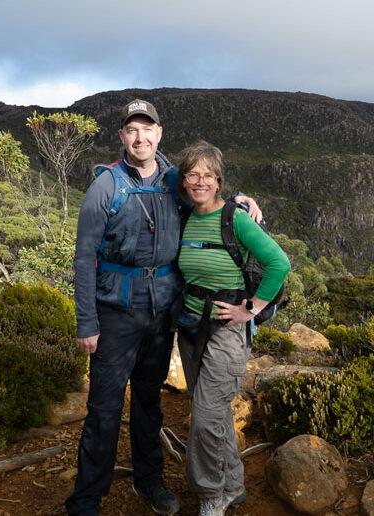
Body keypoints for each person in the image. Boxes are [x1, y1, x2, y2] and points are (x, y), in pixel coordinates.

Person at [65, 100, 262, 516]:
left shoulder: (174, 180)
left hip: (161, 316)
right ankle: (86, 500)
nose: (140, 137)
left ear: (159, 134)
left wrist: (241, 197)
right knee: (104, 408)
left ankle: (148, 481)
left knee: (149, 401)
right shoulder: (106, 186)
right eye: (132, 130)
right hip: (115, 315)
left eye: (147, 129)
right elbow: (84, 258)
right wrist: (87, 322)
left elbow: (207, 192)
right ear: (122, 137)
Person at [175, 141, 290, 516]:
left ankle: (211, 495)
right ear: (184, 180)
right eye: (193, 174)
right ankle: (235, 485)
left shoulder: (236, 218)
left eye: (207, 175)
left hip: (227, 331)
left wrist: (252, 310)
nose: (200, 181)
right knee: (216, 414)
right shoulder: (184, 215)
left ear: (219, 180)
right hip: (191, 329)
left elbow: (279, 262)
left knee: (205, 417)